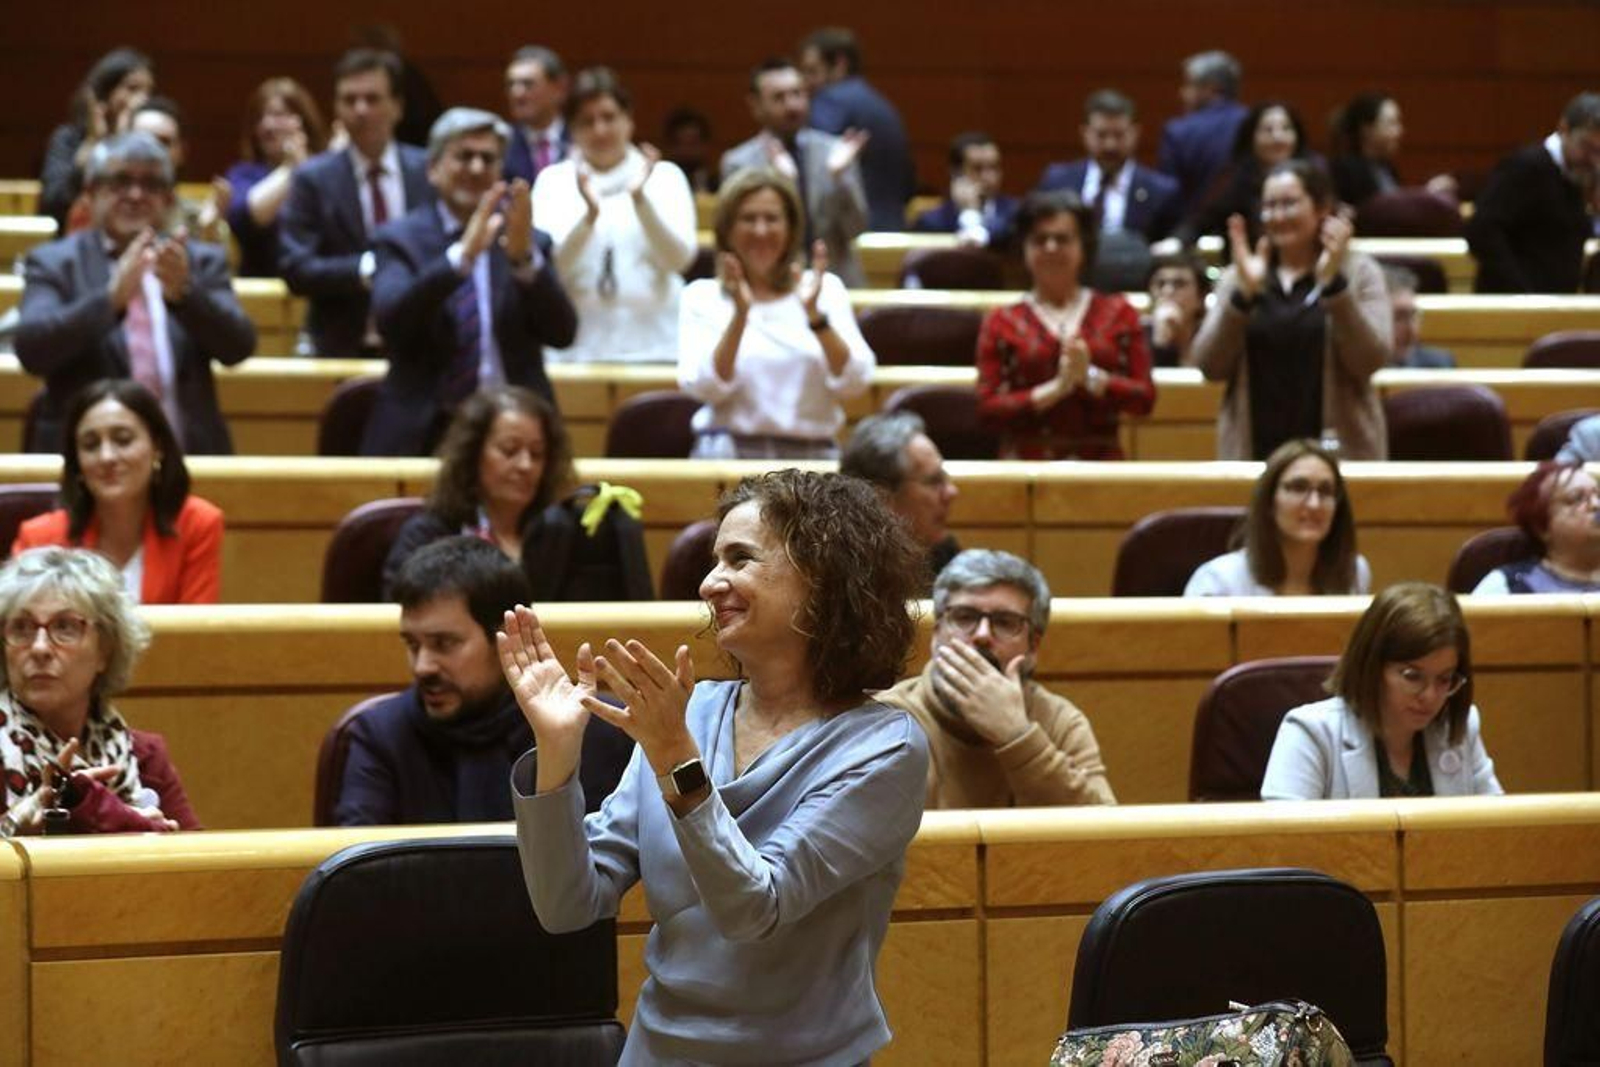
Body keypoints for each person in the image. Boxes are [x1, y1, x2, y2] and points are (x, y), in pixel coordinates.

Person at [502, 468, 930, 1064]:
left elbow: (755, 908)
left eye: (739, 559)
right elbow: (567, 905)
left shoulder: (883, 748)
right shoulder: (694, 712)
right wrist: (557, 753)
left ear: (822, 575)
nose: (709, 584)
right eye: (713, 559)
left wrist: (677, 759)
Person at [336, 536, 630, 826]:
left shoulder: (598, 729)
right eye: (413, 645)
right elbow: (357, 869)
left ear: (505, 639)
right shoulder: (379, 735)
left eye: (444, 643)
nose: (423, 666)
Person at [16, 131, 255, 456]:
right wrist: (110, 300)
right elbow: (32, 348)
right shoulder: (55, 262)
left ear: (169, 198)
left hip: (187, 460)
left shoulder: (197, 261)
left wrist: (187, 295)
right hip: (86, 468)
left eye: (152, 184)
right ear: (91, 193)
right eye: (120, 181)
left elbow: (239, 347)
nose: (136, 194)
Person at [363, 107, 576, 457]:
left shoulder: (526, 241)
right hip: (427, 429)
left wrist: (524, 262)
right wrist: (460, 259)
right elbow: (392, 322)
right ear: (433, 169)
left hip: (516, 431)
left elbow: (562, 333)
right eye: (464, 157)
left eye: (487, 159)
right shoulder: (398, 240)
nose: (476, 168)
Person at [879, 549, 1115, 808]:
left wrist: (1017, 738)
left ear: (1033, 647)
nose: (982, 634)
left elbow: (1103, 836)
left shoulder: (1060, 722)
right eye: (965, 617)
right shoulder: (887, 718)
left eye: (1004, 622)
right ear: (937, 634)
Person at [1192, 159, 1392, 461]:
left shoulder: (1359, 271)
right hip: (1254, 456)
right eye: (1269, 206)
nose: (1277, 216)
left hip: (1340, 457)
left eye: (1289, 204)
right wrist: (1242, 298)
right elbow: (1209, 365)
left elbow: (1371, 359)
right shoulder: (1240, 276)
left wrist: (1335, 288)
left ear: (1321, 208)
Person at [0, 546, 200, 836]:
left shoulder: (145, 756)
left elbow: (196, 868)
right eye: (21, 628)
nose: (40, 648)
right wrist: (12, 829)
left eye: (65, 627)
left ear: (105, 649)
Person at [678, 169, 875, 459]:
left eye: (772, 219)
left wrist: (815, 318)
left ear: (791, 228)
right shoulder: (703, 296)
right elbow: (706, 388)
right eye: (748, 219)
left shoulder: (824, 290)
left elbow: (855, 382)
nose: (761, 231)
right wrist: (740, 316)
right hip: (729, 454)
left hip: (814, 459)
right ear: (727, 229)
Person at [1261, 581, 1503, 799]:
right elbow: (1283, 842)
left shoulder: (1461, 729)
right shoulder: (1311, 734)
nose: (1430, 696)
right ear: (1372, 667)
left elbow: (1496, 832)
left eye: (1444, 679)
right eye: (1412, 676)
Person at [533, 67, 697, 364]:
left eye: (609, 117)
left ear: (628, 120)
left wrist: (641, 202)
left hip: (658, 347)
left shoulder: (664, 176)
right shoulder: (552, 181)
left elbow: (680, 261)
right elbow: (548, 272)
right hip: (577, 350)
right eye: (587, 121)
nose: (600, 130)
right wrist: (588, 220)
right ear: (572, 129)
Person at [974, 190, 1155, 460]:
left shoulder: (1119, 312)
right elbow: (986, 409)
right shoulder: (1001, 321)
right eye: (1039, 240)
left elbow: (1145, 399)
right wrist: (1056, 389)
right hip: (1027, 469)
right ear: (1023, 248)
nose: (1051, 248)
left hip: (1103, 467)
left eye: (1062, 239)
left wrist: (1090, 377)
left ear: (1084, 246)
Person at [279, 48, 432, 358]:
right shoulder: (313, 178)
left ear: (397, 106)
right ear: (336, 107)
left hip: (420, 345)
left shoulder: (429, 172)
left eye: (372, 99)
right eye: (349, 100)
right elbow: (296, 267)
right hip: (340, 345)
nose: (361, 110)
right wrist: (366, 269)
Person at [13, 380, 223, 605]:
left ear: (158, 447)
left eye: (123, 440)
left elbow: (194, 634)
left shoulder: (198, 523)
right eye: (91, 445)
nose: (107, 457)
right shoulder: (39, 538)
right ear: (77, 462)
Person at [381, 385, 576, 595]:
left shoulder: (561, 534)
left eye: (537, 454)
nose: (525, 465)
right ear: (473, 454)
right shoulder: (427, 535)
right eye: (509, 450)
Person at [722, 58, 869, 286]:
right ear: (755, 105)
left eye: (798, 94)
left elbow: (856, 230)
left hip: (837, 283)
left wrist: (839, 180)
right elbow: (735, 240)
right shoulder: (738, 164)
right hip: (770, 286)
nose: (792, 105)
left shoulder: (836, 152)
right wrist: (785, 184)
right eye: (779, 98)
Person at [1184, 438, 1371, 597]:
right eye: (1298, 487)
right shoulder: (1219, 582)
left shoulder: (1354, 572)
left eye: (1325, 490)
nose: (1314, 504)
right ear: (1269, 502)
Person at [1466, 92, 1600, 295]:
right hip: (1514, 309)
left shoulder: (1580, 175)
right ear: (1563, 129)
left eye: (1599, 152)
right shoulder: (1525, 167)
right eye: (1586, 147)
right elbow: (1481, 230)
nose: (1593, 159)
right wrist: (1522, 293)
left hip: (1554, 304)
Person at [798, 27, 915, 231]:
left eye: (812, 71)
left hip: (851, 231)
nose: (805, 82)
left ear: (840, 64)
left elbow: (816, 165)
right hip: (893, 226)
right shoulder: (881, 104)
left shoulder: (831, 100)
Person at [1036, 89, 1181, 243]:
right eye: (1101, 135)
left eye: (1119, 135)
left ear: (1135, 133)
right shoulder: (1057, 181)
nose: (1110, 145)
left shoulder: (1161, 191)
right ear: (1085, 133)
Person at [224, 77, 329, 278]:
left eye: (279, 115)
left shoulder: (328, 169)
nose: (267, 125)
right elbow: (247, 216)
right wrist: (291, 169)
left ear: (303, 120)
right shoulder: (244, 173)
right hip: (262, 292)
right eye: (259, 118)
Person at [39, 48, 154, 230]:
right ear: (103, 94)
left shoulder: (149, 143)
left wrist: (125, 140)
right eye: (132, 89)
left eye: (148, 92)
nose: (143, 100)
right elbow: (54, 202)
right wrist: (93, 143)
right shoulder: (68, 139)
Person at [840, 410, 961, 582]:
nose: (951, 492)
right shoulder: (839, 575)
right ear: (881, 497)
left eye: (944, 478)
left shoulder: (944, 557)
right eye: (934, 481)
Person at [1177, 100, 1312, 244]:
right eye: (1268, 130)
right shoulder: (1235, 179)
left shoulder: (1314, 174)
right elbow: (1200, 222)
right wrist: (1175, 242)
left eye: (1286, 128)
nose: (1277, 137)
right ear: (1251, 137)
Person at [1471, 462, 1600, 594]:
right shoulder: (1505, 586)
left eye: (1599, 496)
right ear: (1541, 527)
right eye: (1576, 498)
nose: (1596, 505)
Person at [1329, 91, 1458, 210]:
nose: (1399, 131)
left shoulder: (1387, 167)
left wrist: (1427, 194)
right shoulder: (1346, 169)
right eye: (1392, 124)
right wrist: (1426, 194)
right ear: (1367, 129)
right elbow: (1372, 212)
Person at [128, 96, 230, 245]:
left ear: (182, 152)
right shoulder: (104, 213)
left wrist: (208, 236)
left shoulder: (199, 218)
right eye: (141, 141)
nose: (152, 151)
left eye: (163, 142)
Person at [1158, 49, 1249, 216]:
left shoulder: (1179, 132)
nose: (1182, 93)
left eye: (1189, 85)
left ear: (1211, 88)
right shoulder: (1253, 124)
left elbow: (1169, 196)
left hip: (1192, 233)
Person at [911, 131, 1019, 248]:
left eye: (994, 167)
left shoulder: (1017, 215)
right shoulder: (930, 222)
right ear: (956, 174)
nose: (989, 177)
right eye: (978, 169)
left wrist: (970, 214)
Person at [502, 45, 570, 185]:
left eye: (528, 84)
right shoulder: (501, 143)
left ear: (559, 88)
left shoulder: (580, 140)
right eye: (511, 84)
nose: (517, 93)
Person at [1146, 249, 1210, 368]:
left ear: (1200, 297)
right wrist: (1160, 341)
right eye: (1160, 284)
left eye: (1179, 284)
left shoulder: (1214, 339)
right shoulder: (1136, 337)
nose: (1167, 291)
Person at [1383, 265, 1456, 368]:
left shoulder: (1439, 365)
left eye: (1413, 315)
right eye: (1398, 317)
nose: (1411, 330)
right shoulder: (1355, 369)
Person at [662, 106, 717, 193]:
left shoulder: (717, 184)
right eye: (682, 143)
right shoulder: (661, 184)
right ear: (671, 147)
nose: (688, 150)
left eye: (693, 143)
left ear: (705, 145)